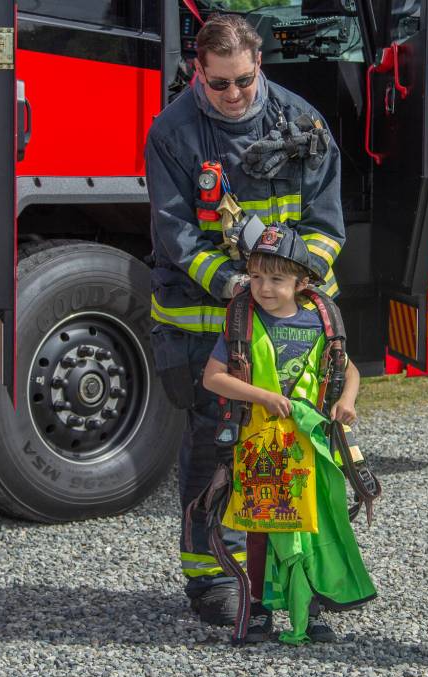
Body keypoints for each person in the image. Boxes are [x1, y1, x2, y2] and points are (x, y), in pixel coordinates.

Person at [144, 13, 345, 626]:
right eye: (219, 84)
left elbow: (327, 226)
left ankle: (295, 575)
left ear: (260, 65)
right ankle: (212, 581)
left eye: (244, 81)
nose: (233, 96)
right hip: (205, 319)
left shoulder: (304, 123)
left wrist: (291, 281)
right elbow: (176, 235)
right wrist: (239, 286)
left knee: (298, 446)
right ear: (196, 73)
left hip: (295, 323)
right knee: (215, 445)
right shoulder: (172, 133)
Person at [203, 224, 375, 644]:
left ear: (302, 282)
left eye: (277, 279)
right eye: (257, 276)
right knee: (261, 528)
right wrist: (260, 395)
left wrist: (347, 399)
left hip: (308, 445)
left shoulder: (319, 321)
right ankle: (260, 609)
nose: (264, 287)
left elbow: (347, 368)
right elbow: (213, 378)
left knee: (310, 527)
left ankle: (312, 608)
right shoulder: (242, 323)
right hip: (259, 443)